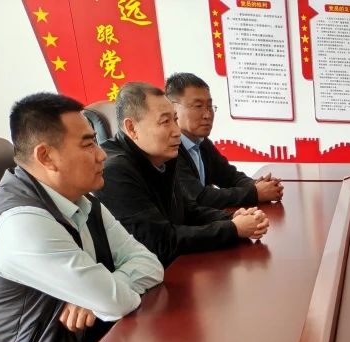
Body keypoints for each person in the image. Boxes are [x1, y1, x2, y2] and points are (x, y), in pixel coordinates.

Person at [0, 93, 163, 342]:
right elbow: (115, 301)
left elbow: (148, 263)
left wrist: (97, 292)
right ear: (46, 156)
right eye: (88, 144)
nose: (102, 154)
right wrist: (102, 292)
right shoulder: (21, 225)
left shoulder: (81, 202)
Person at [97, 82, 268, 265]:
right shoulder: (114, 171)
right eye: (165, 122)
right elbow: (161, 242)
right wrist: (232, 229)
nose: (177, 131)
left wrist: (233, 218)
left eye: (175, 120)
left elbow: (187, 210)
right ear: (132, 128)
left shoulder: (161, 154)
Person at [164, 72, 283, 209]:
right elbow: (200, 198)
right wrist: (255, 193)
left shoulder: (202, 143)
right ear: (173, 108)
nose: (207, 114)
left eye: (210, 106)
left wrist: (257, 186)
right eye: (198, 106)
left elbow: (230, 176)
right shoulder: (169, 150)